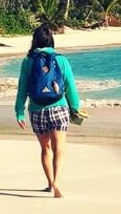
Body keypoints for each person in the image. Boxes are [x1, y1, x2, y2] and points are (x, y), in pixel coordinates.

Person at [15, 25, 81, 198]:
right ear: (51, 40)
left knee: (45, 148)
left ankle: (50, 183)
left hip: (37, 110)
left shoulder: (28, 61)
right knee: (59, 148)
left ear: (34, 41)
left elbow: (22, 87)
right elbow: (70, 86)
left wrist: (19, 112)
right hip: (58, 107)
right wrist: (76, 108)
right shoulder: (61, 60)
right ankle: (57, 181)